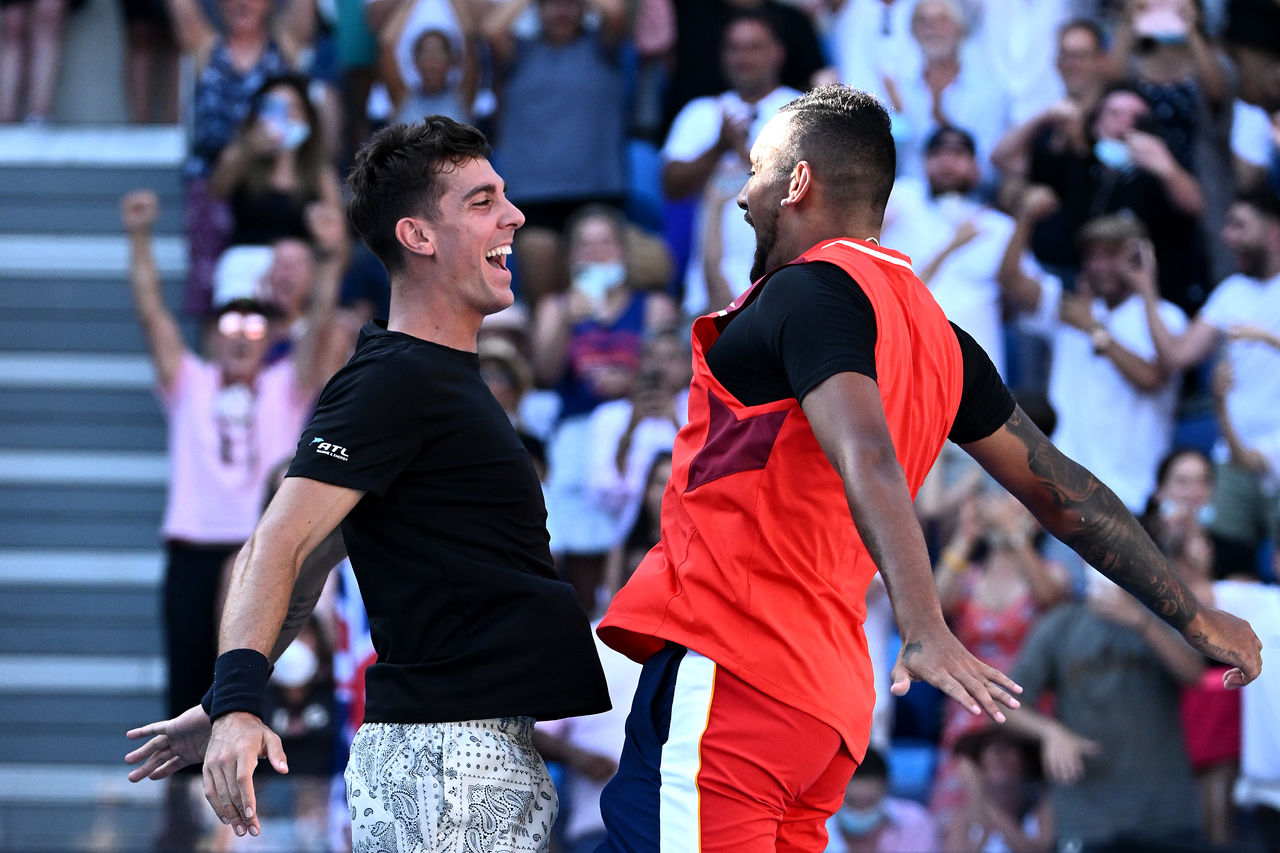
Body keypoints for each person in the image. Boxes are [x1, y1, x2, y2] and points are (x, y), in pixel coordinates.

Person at [590, 84, 1261, 853]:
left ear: (798, 180)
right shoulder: (941, 338)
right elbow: (1066, 492)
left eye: (753, 171)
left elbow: (865, 450)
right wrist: (1192, 613)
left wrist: (923, 623)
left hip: (736, 671)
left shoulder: (805, 292)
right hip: (822, 706)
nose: (743, 196)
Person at [127, 118, 611, 849]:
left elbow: (313, 562)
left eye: (505, 197)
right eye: (482, 202)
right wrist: (233, 703)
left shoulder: (425, 379)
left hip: (463, 755)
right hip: (448, 762)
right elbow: (280, 539)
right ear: (417, 236)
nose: (514, 216)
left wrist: (231, 691)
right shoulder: (394, 377)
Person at [1132, 188, 1280, 578]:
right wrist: (1147, 289)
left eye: (1239, 225)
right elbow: (1178, 356)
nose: (1227, 236)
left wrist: (1269, 340)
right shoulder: (1232, 291)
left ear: (1273, 232)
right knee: (1229, 575)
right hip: (1232, 460)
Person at [823, 747, 938, 853]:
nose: (860, 811)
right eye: (852, 802)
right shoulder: (817, 828)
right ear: (834, 795)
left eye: (869, 802)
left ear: (885, 790)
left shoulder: (915, 823)